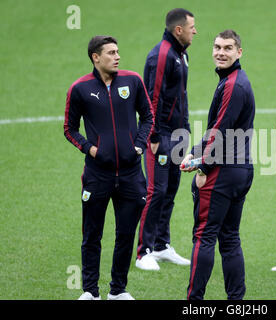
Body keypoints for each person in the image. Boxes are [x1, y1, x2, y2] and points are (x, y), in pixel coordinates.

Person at [64, 36, 155, 300]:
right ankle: (90, 292)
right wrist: (90, 149)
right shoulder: (80, 88)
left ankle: (118, 291)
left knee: (126, 235)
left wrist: (138, 146)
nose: (117, 56)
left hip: (130, 175)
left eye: (118, 51)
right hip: (97, 175)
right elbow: (69, 128)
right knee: (92, 236)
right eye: (111, 53)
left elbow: (148, 116)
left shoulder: (133, 81)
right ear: (95, 57)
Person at [180, 29, 255, 300]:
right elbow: (216, 129)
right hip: (240, 169)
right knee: (230, 237)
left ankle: (194, 302)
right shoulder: (234, 79)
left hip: (222, 172)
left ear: (239, 52)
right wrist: (195, 152)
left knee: (204, 236)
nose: (220, 52)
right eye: (217, 47)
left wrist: (203, 167)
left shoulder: (233, 85)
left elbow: (221, 131)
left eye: (228, 48)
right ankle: (236, 301)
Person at [136, 8, 197, 271]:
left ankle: (161, 245)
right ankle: (144, 251)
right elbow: (153, 96)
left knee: (170, 190)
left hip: (177, 136)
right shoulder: (161, 55)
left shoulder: (181, 55)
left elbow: (180, 96)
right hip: (160, 136)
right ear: (179, 30)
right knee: (156, 191)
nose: (196, 31)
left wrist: (184, 131)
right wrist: (153, 135)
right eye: (192, 27)